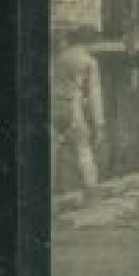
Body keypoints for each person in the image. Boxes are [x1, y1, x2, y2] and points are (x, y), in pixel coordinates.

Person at [53, 27, 107, 200]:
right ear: (90, 42)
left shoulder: (60, 58)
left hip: (53, 106)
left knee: (55, 149)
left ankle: (54, 191)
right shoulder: (89, 61)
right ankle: (93, 191)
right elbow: (94, 95)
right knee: (83, 147)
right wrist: (99, 125)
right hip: (72, 107)